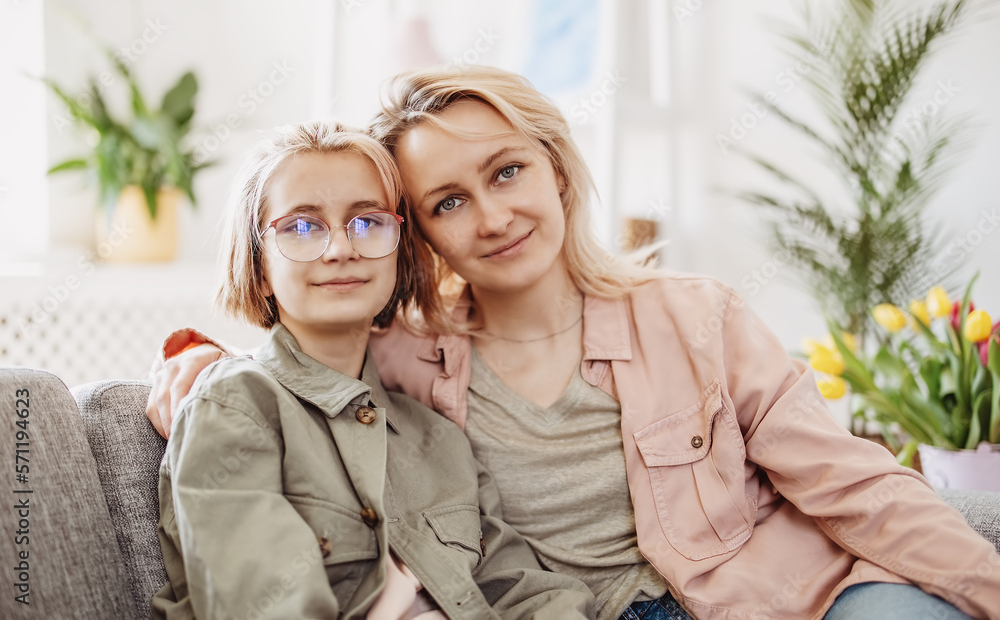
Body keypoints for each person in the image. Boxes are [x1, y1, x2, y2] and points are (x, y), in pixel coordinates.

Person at [149, 68, 1000, 620]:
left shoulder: (696, 314)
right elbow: (305, 346)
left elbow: (855, 482)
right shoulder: (410, 366)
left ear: (555, 167)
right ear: (423, 240)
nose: (491, 216)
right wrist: (204, 359)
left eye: (507, 171)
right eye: (446, 202)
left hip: (794, 599)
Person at [149, 120, 596, 620]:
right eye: (301, 226)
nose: (342, 249)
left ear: (399, 254)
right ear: (259, 268)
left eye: (367, 222)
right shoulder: (236, 407)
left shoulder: (438, 436)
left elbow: (529, 591)